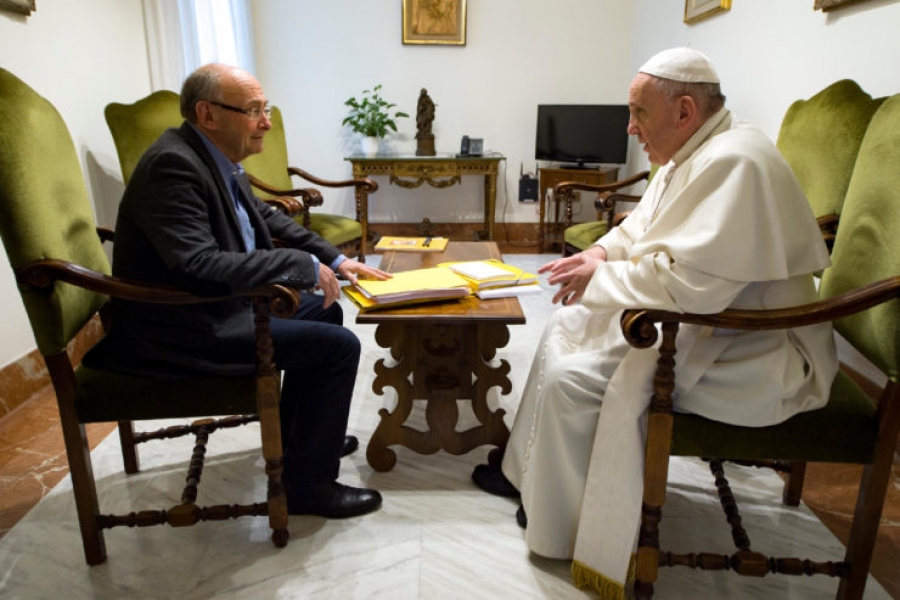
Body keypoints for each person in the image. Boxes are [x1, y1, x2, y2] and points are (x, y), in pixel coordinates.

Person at [471, 48, 838, 597]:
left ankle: (563, 524)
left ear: (684, 111)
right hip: (713, 327)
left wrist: (601, 280)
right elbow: (640, 226)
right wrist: (599, 254)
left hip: (754, 350)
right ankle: (527, 477)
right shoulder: (696, 150)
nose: (630, 127)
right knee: (566, 326)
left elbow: (693, 285)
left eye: (639, 112)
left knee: (574, 380)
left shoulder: (735, 161)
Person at [84, 63, 391, 519]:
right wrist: (301, 265)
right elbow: (200, 265)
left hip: (218, 306)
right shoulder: (173, 166)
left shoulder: (214, 157)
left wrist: (334, 259)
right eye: (253, 111)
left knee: (326, 313)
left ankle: (300, 443)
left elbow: (264, 217)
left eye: (265, 109)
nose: (266, 122)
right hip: (182, 328)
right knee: (338, 348)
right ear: (207, 114)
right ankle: (308, 488)